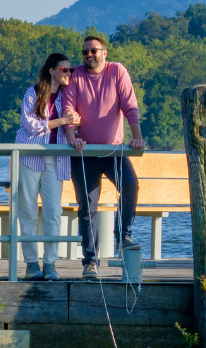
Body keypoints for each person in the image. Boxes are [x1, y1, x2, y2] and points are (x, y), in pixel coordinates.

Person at [61, 35, 147, 279]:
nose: (89, 55)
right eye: (85, 52)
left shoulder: (117, 71)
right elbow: (68, 110)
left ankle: (124, 236)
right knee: (87, 208)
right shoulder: (75, 75)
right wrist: (71, 137)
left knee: (130, 185)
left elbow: (130, 106)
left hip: (113, 150)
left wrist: (137, 138)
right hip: (84, 153)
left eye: (93, 51)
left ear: (104, 53)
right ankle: (90, 262)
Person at [15, 53, 81, 281]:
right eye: (64, 70)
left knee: (54, 212)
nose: (68, 74)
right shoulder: (33, 93)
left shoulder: (68, 95)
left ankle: (50, 263)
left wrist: (75, 126)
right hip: (29, 158)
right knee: (28, 212)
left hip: (56, 159)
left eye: (70, 70)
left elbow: (75, 124)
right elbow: (30, 125)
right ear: (52, 70)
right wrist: (63, 121)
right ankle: (32, 263)